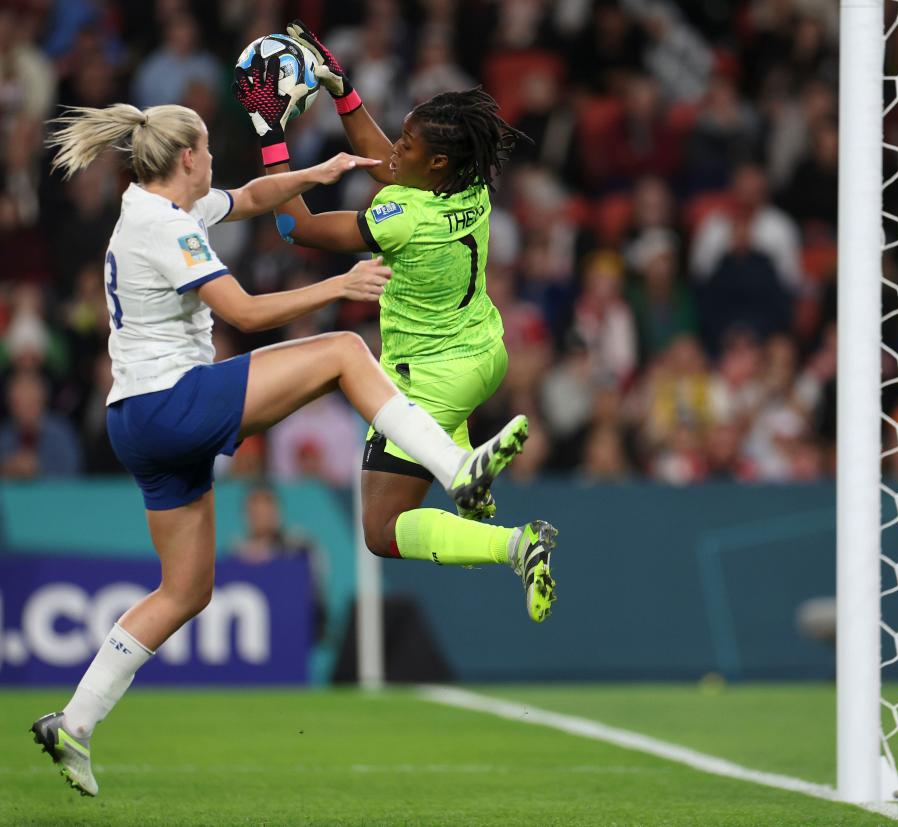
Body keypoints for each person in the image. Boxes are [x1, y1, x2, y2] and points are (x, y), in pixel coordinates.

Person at [29, 101, 531, 797]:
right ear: (186, 160)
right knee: (346, 351)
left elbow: (255, 197)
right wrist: (339, 284)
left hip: (135, 419)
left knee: (185, 590)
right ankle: (457, 469)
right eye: (206, 149)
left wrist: (316, 170)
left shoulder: (152, 204)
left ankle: (74, 722)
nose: (213, 162)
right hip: (170, 404)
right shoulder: (166, 226)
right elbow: (243, 312)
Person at [233, 21, 558, 623]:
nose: (395, 151)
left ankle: (516, 542)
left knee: (382, 529)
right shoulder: (471, 184)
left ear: (435, 161)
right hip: (483, 353)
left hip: (427, 376)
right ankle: (468, 479)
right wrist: (341, 89)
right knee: (452, 490)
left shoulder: (401, 216)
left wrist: (268, 129)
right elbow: (388, 163)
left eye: (408, 146)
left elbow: (294, 228)